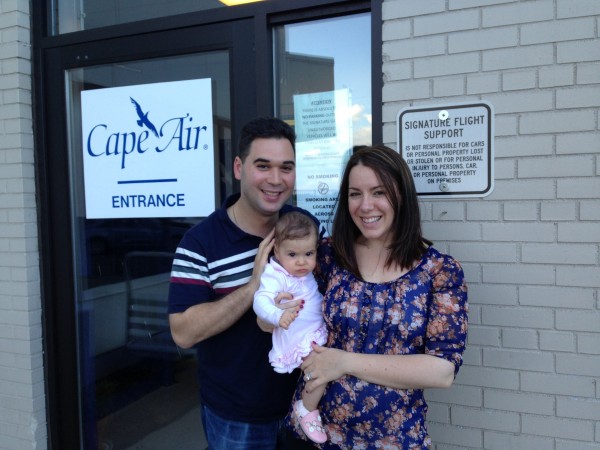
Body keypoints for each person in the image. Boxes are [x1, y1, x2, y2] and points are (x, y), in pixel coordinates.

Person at [286, 145, 468, 449]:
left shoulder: (439, 271)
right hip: (316, 435)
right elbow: (288, 306)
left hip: (394, 440)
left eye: (379, 192)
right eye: (355, 193)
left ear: (402, 196)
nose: (365, 205)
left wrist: (344, 361)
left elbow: (442, 370)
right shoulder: (329, 255)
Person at [168, 117, 318, 450]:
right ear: (238, 167)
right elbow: (183, 331)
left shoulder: (305, 228)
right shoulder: (200, 243)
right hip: (237, 419)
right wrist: (253, 288)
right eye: (263, 166)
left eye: (286, 167)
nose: (276, 180)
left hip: (304, 405)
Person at [253, 212, 328, 444]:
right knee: (320, 374)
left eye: (309, 253)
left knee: (321, 372)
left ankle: (308, 406)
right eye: (292, 254)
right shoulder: (276, 275)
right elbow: (260, 300)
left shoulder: (305, 272)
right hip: (299, 337)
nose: (302, 261)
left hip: (314, 331)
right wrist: (278, 315)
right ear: (277, 252)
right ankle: (306, 408)